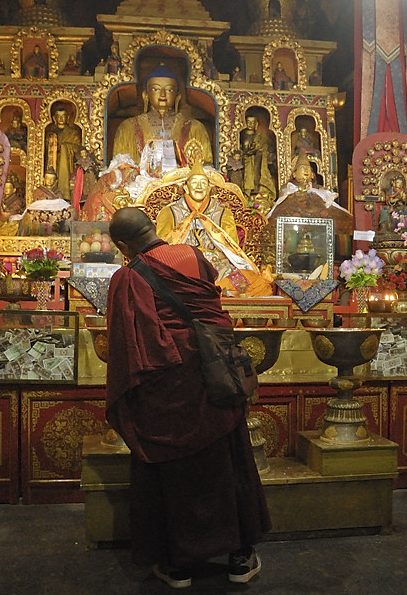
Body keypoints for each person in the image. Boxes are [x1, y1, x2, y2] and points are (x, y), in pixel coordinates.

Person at [105, 206, 270, 588]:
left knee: (172, 471)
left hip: (167, 389)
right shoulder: (192, 256)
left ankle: (177, 564)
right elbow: (211, 303)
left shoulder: (127, 278)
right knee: (226, 462)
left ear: (122, 246)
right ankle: (239, 558)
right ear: (153, 227)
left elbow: (128, 345)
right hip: (214, 377)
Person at [155, 161, 257, 282]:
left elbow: (231, 248)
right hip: (183, 263)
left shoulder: (223, 213)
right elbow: (162, 249)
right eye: (194, 182)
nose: (199, 186)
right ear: (186, 188)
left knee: (250, 283)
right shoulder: (170, 212)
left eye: (203, 183)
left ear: (208, 188)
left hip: (217, 265)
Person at [111, 64, 212, 171]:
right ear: (146, 95)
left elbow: (207, 167)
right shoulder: (127, 128)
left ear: (177, 97)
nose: (162, 94)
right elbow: (119, 167)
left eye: (169, 90)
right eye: (156, 89)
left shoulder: (195, 128)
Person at [239, 113, 277, 206]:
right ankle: (246, 195)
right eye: (248, 122)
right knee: (245, 177)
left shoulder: (259, 137)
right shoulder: (242, 135)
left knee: (257, 176)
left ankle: (256, 190)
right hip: (245, 161)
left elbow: (263, 148)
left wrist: (255, 150)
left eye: (252, 122)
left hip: (257, 160)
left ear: (256, 124)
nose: (250, 124)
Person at [46, 106, 82, 201]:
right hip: (53, 163)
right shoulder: (50, 133)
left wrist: (63, 147)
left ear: (68, 117)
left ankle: (65, 195)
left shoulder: (73, 133)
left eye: (63, 116)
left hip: (67, 164)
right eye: (58, 116)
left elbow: (78, 149)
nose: (61, 119)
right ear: (54, 118)